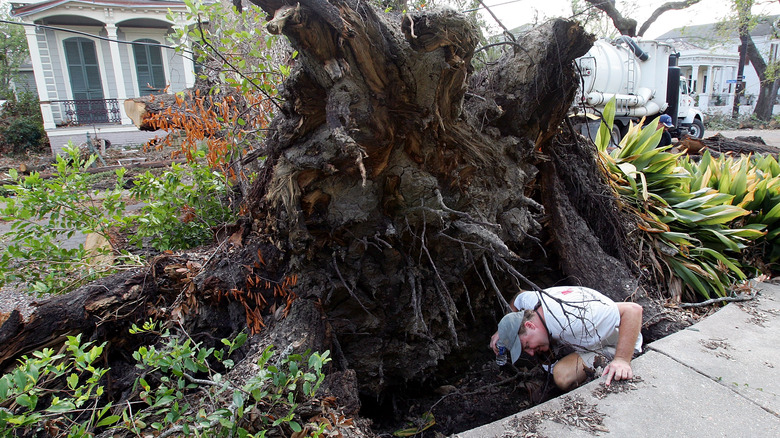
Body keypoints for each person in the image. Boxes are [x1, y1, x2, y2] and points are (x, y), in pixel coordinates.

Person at [490, 286, 643, 390]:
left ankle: (615, 359)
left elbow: (632, 310)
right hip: (592, 333)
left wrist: (622, 360)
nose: (530, 352)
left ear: (530, 325)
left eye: (527, 345)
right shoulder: (532, 303)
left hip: (619, 344)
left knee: (561, 376)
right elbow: (518, 297)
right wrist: (502, 331)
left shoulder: (572, 319)